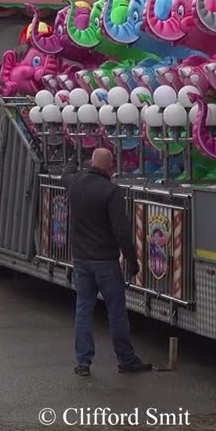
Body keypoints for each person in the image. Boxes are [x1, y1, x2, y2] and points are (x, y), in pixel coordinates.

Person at [63, 148, 152, 376]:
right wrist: (132, 261)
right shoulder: (111, 191)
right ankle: (126, 359)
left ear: (91, 162)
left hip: (81, 259)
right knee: (116, 312)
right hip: (106, 261)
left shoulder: (75, 183)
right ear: (110, 168)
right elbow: (121, 230)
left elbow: (66, 173)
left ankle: (83, 362)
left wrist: (73, 160)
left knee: (84, 309)